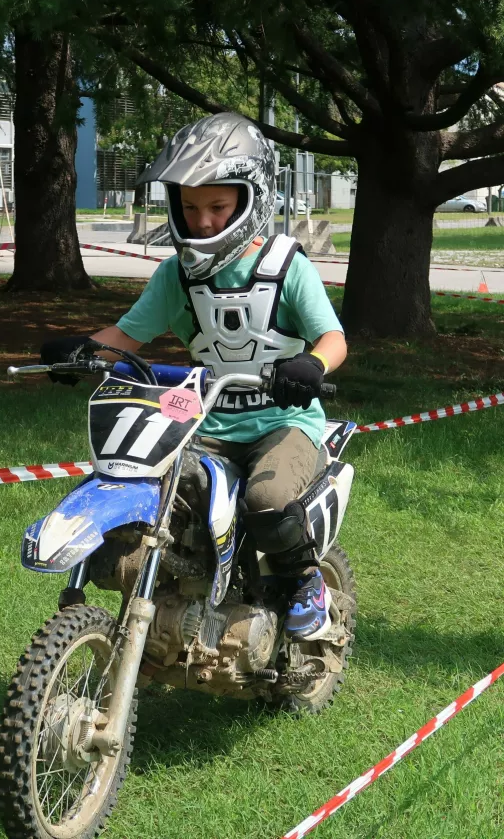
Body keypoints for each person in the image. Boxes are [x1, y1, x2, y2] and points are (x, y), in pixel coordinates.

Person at [41, 113, 347, 641]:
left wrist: (311, 365)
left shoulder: (285, 267)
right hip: (203, 420)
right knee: (147, 488)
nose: (202, 221)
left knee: (266, 502)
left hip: (284, 423)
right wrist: (83, 349)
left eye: (217, 206)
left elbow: (334, 339)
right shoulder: (175, 275)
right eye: (189, 207)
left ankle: (303, 581)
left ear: (253, 200)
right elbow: (127, 335)